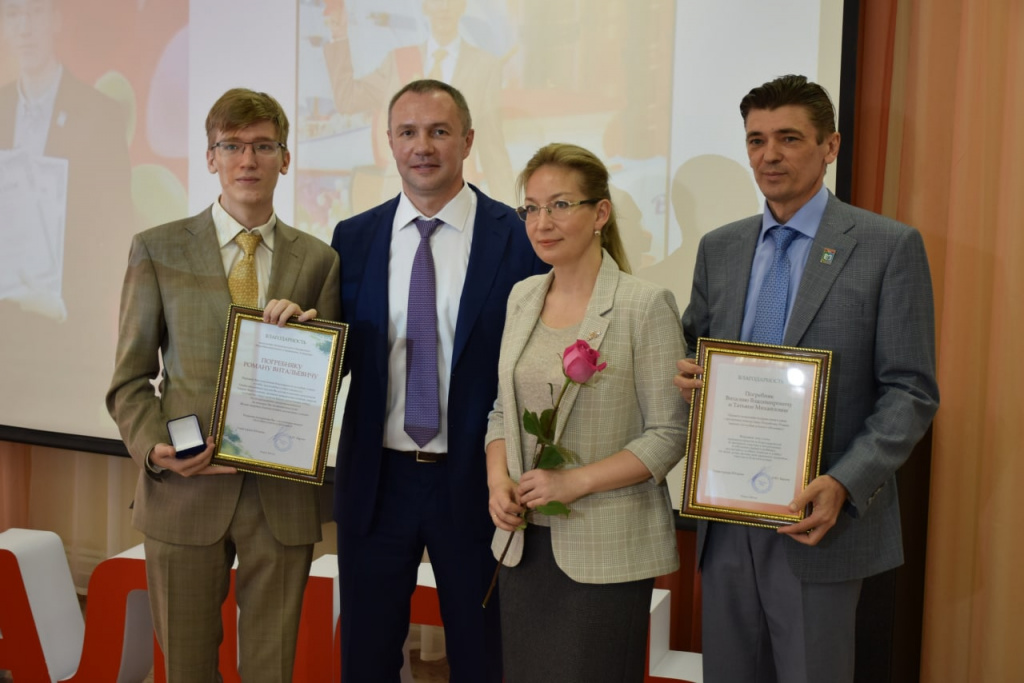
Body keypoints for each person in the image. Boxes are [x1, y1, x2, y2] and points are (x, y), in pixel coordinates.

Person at [674, 75, 940, 683]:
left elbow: (912, 389)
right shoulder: (722, 247)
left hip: (821, 519)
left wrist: (845, 482)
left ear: (830, 146)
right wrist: (690, 375)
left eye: (790, 138)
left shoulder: (887, 246)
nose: (770, 155)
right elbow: (697, 345)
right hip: (727, 513)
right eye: (756, 140)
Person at [106, 88, 340, 683]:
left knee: (271, 669)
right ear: (210, 157)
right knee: (185, 669)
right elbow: (130, 381)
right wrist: (156, 447)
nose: (248, 159)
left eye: (264, 145)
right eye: (232, 145)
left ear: (285, 159)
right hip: (183, 491)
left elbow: (333, 374)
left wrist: (315, 342)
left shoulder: (318, 261)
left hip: (280, 498)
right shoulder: (156, 249)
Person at [330, 79, 546, 682]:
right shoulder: (353, 238)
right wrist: (294, 336)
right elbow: (336, 354)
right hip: (378, 481)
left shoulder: (518, 238)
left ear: (468, 141)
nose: (422, 146)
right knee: (367, 657)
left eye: (439, 131)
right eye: (408, 132)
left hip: (478, 481)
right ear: (390, 143)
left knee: (483, 657)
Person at [486, 143, 688, 682]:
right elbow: (501, 410)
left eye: (559, 205)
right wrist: (496, 482)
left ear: (600, 213)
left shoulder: (643, 305)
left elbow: (670, 433)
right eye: (530, 208)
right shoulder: (522, 297)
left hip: (606, 550)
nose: (541, 222)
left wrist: (575, 482)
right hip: (523, 547)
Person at [322, 0, 514, 207]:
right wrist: (339, 36)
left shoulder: (484, 66)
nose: (444, 7)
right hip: (399, 199)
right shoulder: (399, 62)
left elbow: (492, 150)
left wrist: (514, 218)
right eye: (437, 2)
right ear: (425, 6)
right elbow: (347, 99)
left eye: (452, 2)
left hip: (459, 200)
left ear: (462, 5)